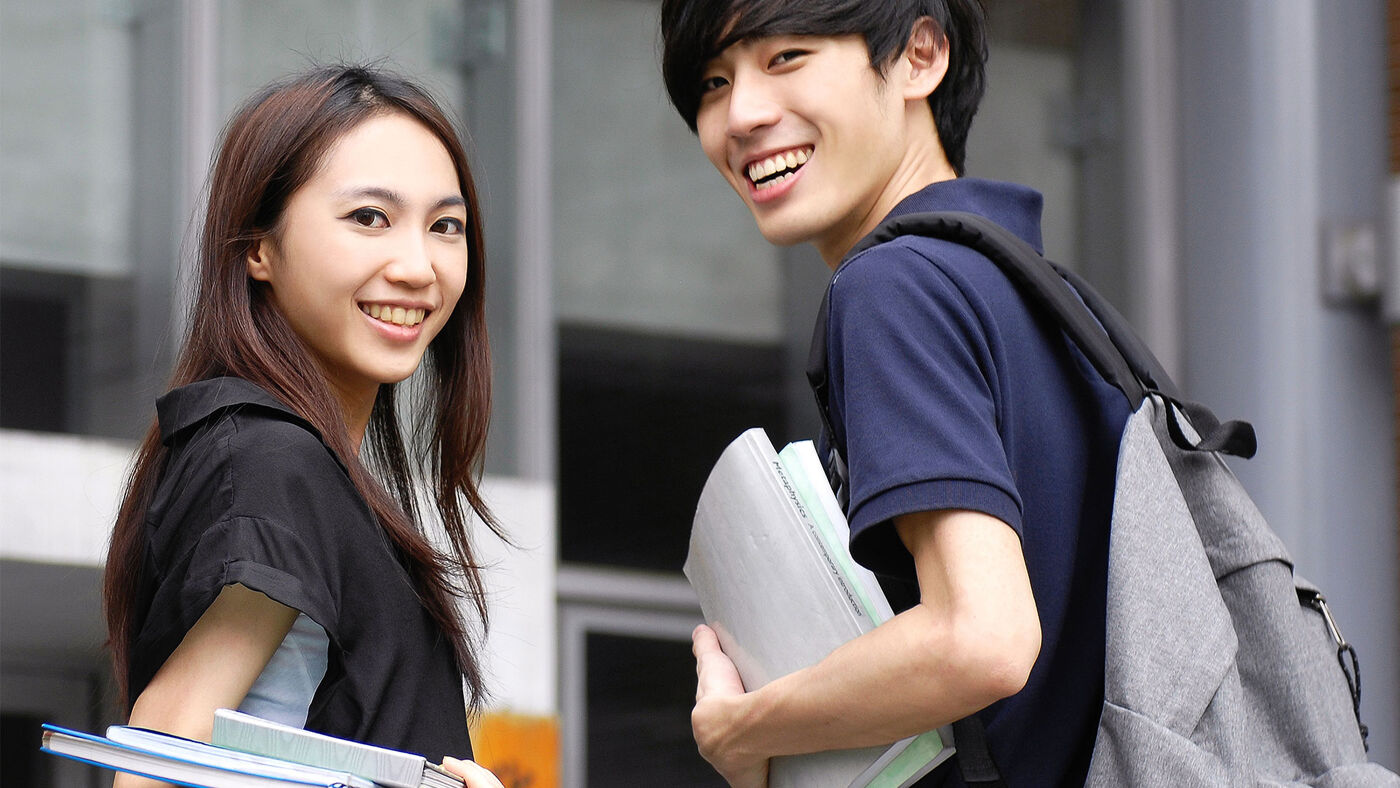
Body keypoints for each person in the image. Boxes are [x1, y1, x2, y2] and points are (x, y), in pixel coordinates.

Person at [660, 1, 1131, 786]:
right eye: (713, 81)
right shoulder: (1046, 300)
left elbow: (981, 637)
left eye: (785, 59)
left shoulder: (893, 285)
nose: (740, 114)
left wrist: (747, 728)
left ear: (920, 55)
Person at [102, 65, 506, 788]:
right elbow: (158, 762)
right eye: (368, 218)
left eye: (446, 226)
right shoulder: (269, 458)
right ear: (258, 248)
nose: (419, 267)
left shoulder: (296, 466)